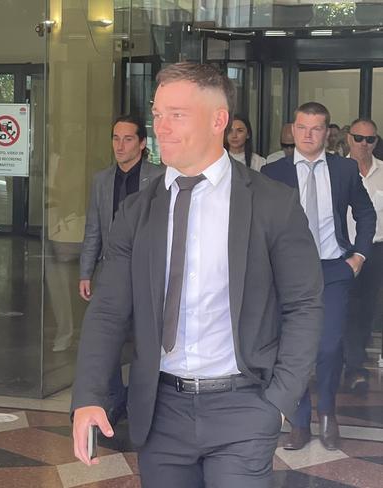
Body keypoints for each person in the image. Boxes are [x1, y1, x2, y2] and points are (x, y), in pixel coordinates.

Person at [71, 62, 324, 488]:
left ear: (218, 120)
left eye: (177, 115)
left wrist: (279, 399)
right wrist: (89, 396)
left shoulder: (271, 204)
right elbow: (109, 309)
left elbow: (304, 303)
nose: (161, 127)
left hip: (243, 406)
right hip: (160, 408)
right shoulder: (137, 210)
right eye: (157, 114)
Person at [262, 102, 376, 451]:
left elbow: (366, 212)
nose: (308, 135)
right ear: (292, 130)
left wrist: (358, 256)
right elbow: (260, 223)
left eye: (315, 128)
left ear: (328, 133)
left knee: (328, 346)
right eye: (301, 127)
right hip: (287, 274)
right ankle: (299, 421)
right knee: (292, 349)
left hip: (333, 269)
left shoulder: (343, 170)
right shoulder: (273, 172)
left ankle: (327, 413)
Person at [79, 114, 164, 423]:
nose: (120, 145)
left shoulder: (159, 177)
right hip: (109, 269)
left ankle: (142, 401)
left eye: (128, 139)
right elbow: (93, 229)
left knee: (144, 337)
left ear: (142, 144)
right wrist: (86, 271)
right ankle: (113, 400)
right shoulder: (102, 180)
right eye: (116, 138)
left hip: (147, 269)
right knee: (106, 335)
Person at [344, 118, 383, 395]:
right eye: (359, 138)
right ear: (349, 138)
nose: (364, 144)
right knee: (346, 308)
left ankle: (354, 359)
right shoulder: (337, 170)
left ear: (376, 142)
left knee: (368, 307)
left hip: (377, 249)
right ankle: (354, 364)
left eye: (370, 139)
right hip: (343, 250)